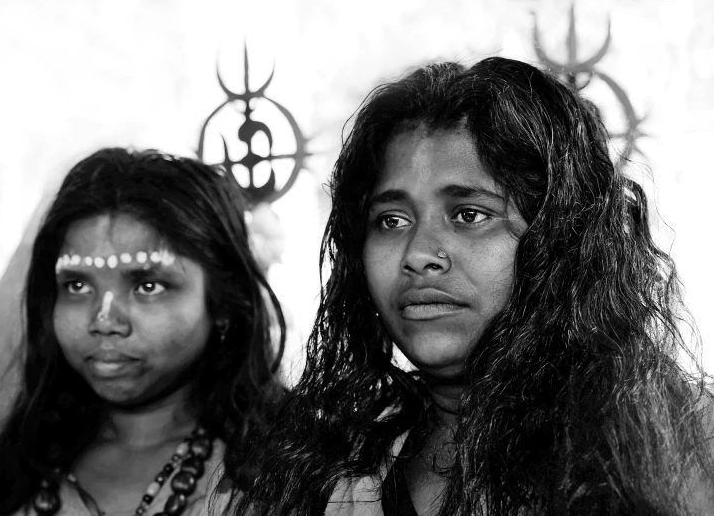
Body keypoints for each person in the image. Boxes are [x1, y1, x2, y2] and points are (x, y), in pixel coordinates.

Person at [231, 57, 714, 515]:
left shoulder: (677, 441)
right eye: (391, 220)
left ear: (561, 237)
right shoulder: (337, 467)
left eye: (469, 215)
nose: (418, 254)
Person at [0, 148, 285, 516]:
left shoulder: (290, 473)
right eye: (77, 286)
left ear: (222, 303)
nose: (104, 320)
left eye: (148, 286)